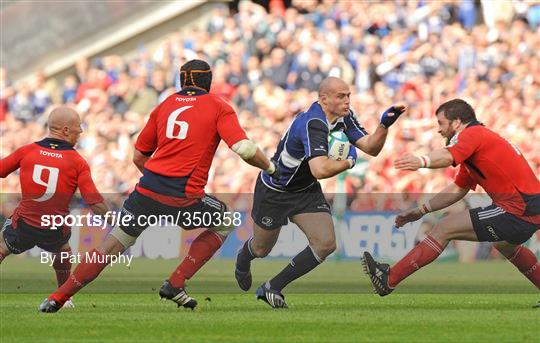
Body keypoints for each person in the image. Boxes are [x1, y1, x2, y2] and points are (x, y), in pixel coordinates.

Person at [39, 59, 277, 312]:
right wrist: (271, 168)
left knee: (111, 246)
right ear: (209, 82)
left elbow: (138, 156)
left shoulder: (165, 105)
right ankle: (176, 282)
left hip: (146, 191)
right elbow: (244, 148)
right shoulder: (219, 106)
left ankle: (57, 298)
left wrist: (158, 182)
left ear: (182, 81)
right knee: (225, 220)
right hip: (183, 194)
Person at [235, 76, 406, 308]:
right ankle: (244, 255)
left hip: (305, 190)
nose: (347, 100)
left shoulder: (345, 117)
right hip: (276, 189)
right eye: (341, 96)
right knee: (262, 248)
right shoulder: (313, 122)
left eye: (348, 95)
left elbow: (371, 147)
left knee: (325, 244)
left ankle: (272, 287)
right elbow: (320, 169)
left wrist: (384, 125)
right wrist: (348, 163)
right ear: (324, 99)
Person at [363, 98, 540, 296]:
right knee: (504, 245)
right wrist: (421, 211)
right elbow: (458, 188)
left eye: (441, 123)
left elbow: (448, 156)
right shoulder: (477, 144)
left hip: (519, 208)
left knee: (444, 228)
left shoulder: (472, 133)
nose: (439, 130)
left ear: (456, 122)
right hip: (529, 207)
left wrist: (421, 160)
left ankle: (389, 279)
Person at [0, 106, 109, 308]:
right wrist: (115, 220)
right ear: (66, 130)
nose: (81, 131)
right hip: (54, 227)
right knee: (64, 250)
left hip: (24, 223)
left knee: (2, 248)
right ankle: (64, 297)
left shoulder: (27, 151)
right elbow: (94, 201)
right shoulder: (77, 161)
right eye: (78, 126)